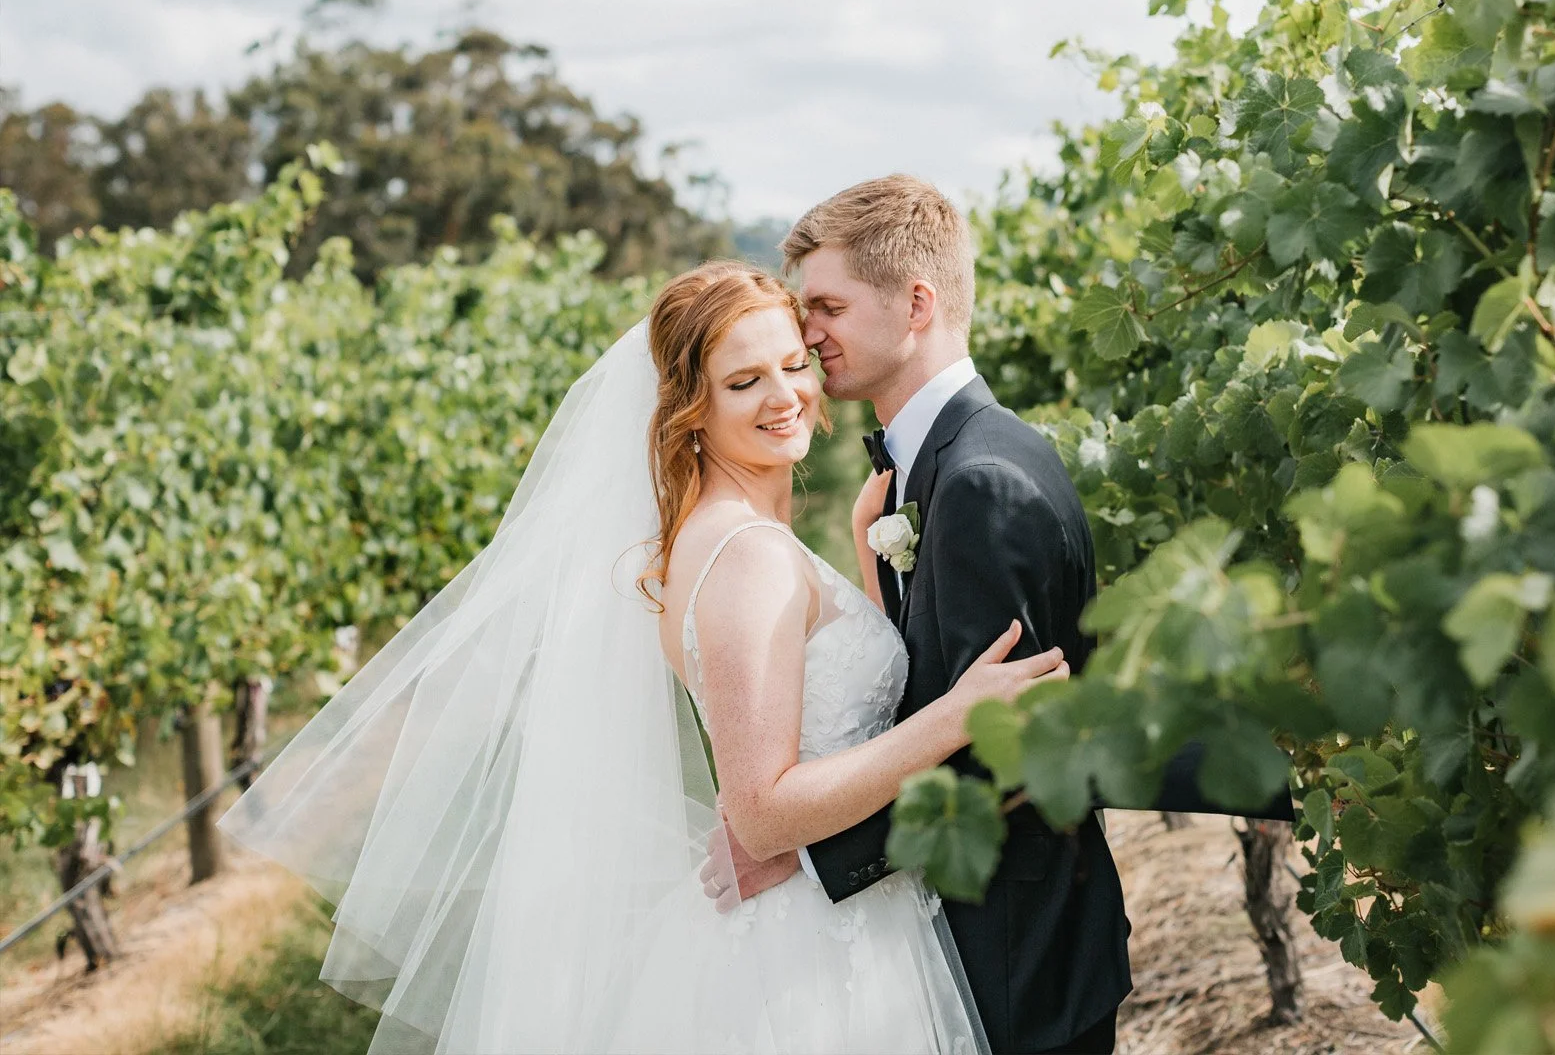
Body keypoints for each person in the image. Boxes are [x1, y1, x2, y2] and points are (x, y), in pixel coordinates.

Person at [218, 259, 1068, 1053]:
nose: (786, 396)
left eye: (792, 364)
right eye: (744, 381)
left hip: (837, 915)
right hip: (816, 958)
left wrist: (862, 569)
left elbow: (824, 697)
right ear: (688, 409)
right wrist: (956, 719)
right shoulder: (749, 559)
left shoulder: (716, 542)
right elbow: (763, 812)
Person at [709, 175, 1295, 1055]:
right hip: (991, 943)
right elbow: (937, 691)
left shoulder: (981, 483)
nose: (808, 332)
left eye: (827, 306)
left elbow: (1006, 750)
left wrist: (803, 849)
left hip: (1015, 958)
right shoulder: (937, 467)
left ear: (916, 304)